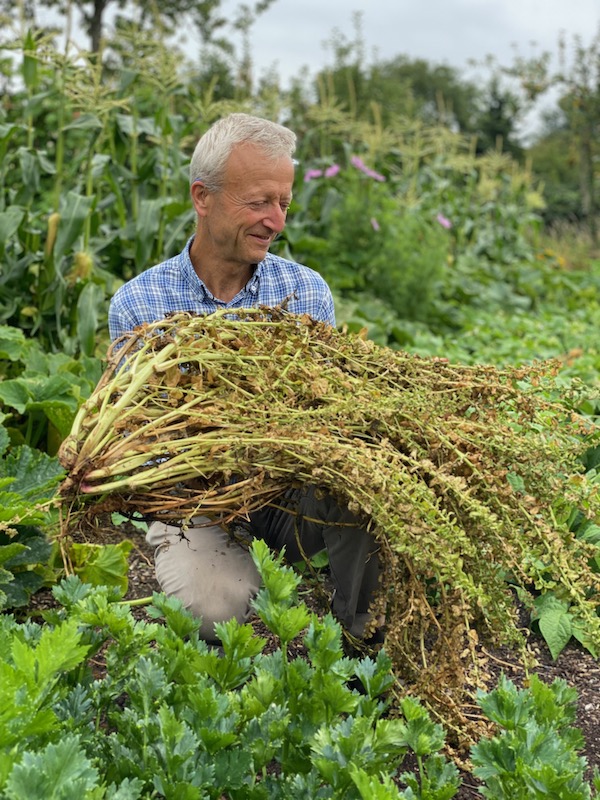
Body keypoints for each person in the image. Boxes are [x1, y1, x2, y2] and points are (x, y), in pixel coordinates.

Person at [108, 112, 381, 644]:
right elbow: (140, 442)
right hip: (194, 502)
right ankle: (224, 575)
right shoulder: (141, 303)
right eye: (258, 202)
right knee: (212, 611)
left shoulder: (306, 293)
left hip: (284, 494)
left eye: (283, 203)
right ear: (202, 197)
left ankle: (358, 640)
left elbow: (325, 418)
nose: (275, 221)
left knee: (368, 484)